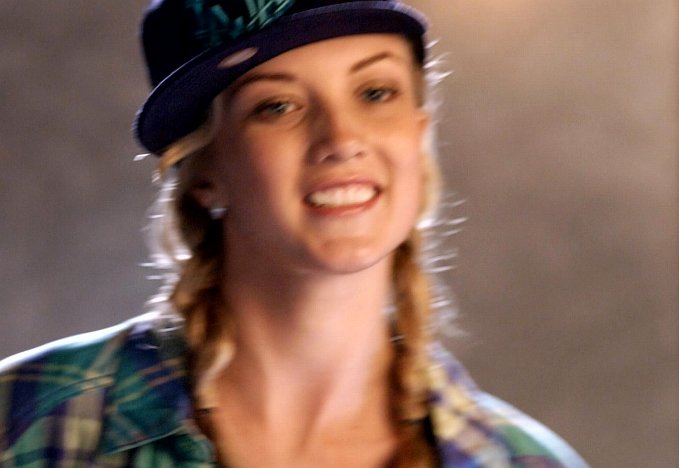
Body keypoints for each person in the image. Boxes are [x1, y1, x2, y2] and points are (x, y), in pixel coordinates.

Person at [0, 1, 588, 466]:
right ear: (203, 174)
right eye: (277, 106)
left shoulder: (523, 461)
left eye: (375, 93)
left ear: (418, 132)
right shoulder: (27, 421)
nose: (342, 139)